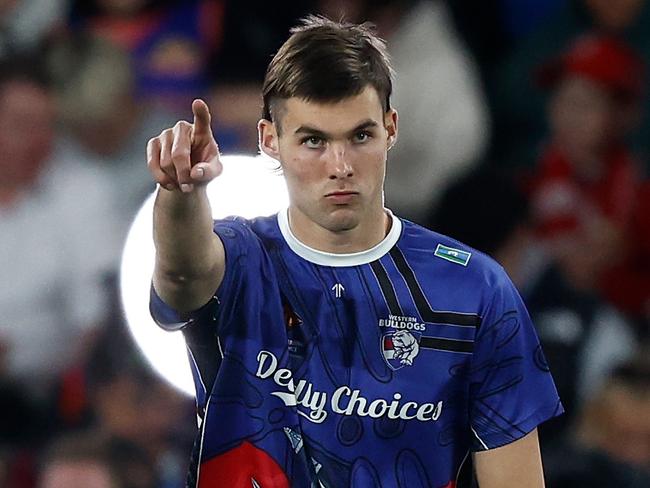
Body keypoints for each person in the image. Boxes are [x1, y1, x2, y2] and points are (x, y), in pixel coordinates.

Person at [146, 16, 562, 487]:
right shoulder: (240, 262)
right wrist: (180, 193)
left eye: (359, 136)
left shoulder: (475, 290)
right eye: (314, 141)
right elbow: (181, 276)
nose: (340, 166)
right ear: (269, 140)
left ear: (391, 129)